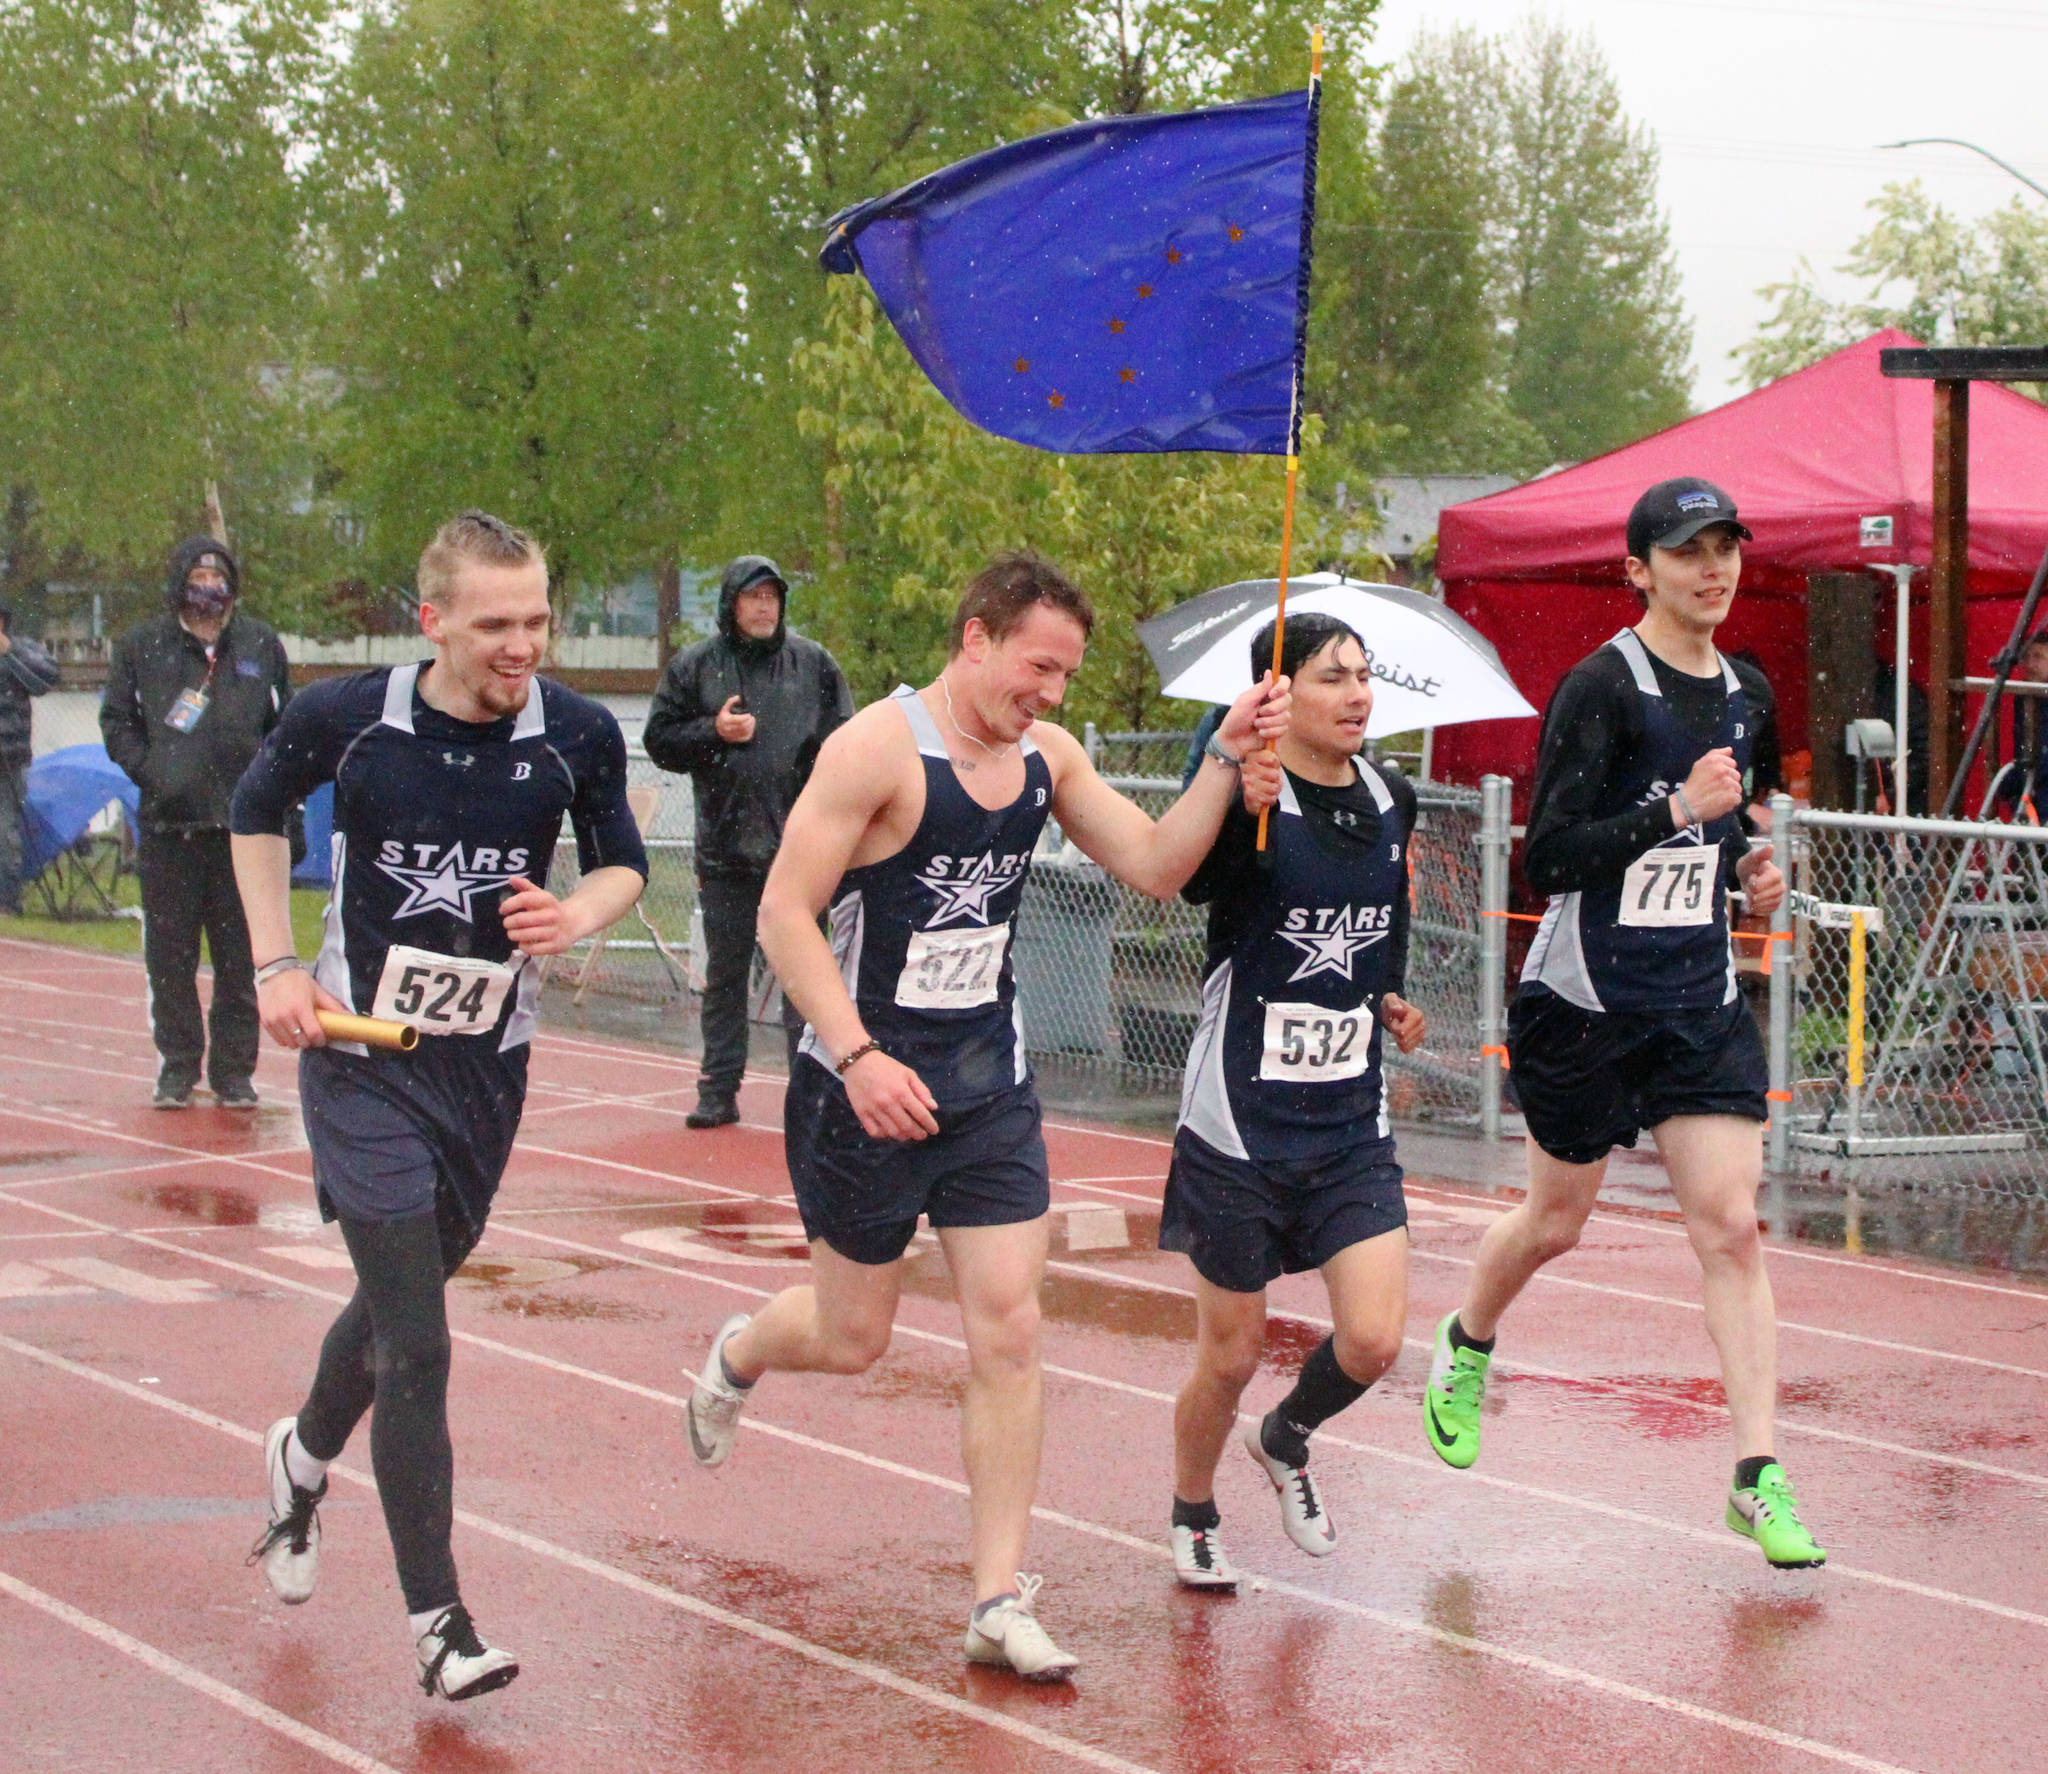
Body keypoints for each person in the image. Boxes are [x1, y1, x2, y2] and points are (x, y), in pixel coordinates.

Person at [685, 551, 1288, 1679]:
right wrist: (858, 1055)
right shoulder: (874, 751)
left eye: (1065, 674)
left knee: (1008, 1327)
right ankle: (739, 1351)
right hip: (859, 1084)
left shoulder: (1049, 758)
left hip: (985, 1090)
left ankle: (996, 1596)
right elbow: (781, 912)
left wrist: (1221, 759)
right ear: (974, 640)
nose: (1051, 695)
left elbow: (1157, 866)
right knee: (852, 1334)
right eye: (1037, 667)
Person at [229, 512, 647, 1700]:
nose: (524, 644)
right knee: (418, 1338)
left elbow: (626, 862)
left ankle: (301, 1456)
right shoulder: (347, 718)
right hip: (361, 1056)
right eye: (496, 623)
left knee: (396, 1298)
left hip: (485, 1067)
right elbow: (254, 815)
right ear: (434, 621)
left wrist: (577, 915)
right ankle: (439, 1622)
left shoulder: (573, 732)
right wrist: (273, 965)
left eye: (538, 618)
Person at [1421, 477, 1824, 1570]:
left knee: (1729, 1225)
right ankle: (1466, 1339)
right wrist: (1669, 812)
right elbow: (1547, 858)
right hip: (1587, 1000)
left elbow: (1739, 826)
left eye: (1727, 547)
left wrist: (1751, 871)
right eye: (1688, 550)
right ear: (1637, 568)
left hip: (1693, 999)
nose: (1715, 568)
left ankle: (1754, 1470)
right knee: (1555, 1222)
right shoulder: (1600, 689)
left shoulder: (1745, 690)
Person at [1161, 613, 1426, 1589]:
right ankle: (1191, 1506)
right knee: (1226, 1356)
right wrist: (1235, 800)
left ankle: (1287, 1433)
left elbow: (1379, 918)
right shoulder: (1251, 794)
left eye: (1363, 675)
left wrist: (1387, 991)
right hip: (1238, 1120)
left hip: (1349, 1117)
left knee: (1373, 1336)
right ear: (1276, 693)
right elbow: (1191, 894)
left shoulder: (1389, 793)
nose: (1357, 693)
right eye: (1330, 677)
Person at [644, 556, 854, 1127]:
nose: (764, 607)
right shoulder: (696, 666)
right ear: (731, 604)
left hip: (801, 854)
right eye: (752, 597)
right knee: (726, 978)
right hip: (726, 850)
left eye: (772, 597)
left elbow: (846, 749)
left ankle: (810, 1091)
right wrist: (713, 732)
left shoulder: (814, 665)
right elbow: (658, 740)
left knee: (804, 978)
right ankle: (718, 1089)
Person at [101, 538, 292, 1108]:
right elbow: (117, 722)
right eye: (198, 575)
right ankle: (178, 1067)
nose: (208, 585)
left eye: (218, 576)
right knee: (171, 959)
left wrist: (283, 804)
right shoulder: (142, 646)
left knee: (241, 961)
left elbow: (286, 729)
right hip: (169, 831)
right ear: (179, 582)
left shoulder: (260, 643)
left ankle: (234, 1072)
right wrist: (154, 770)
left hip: (244, 836)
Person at [0, 602, 60, 915]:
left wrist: (8, 652)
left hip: (9, 759)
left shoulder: (20, 650)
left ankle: (6, 901)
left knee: (4, 830)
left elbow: (46, 679)